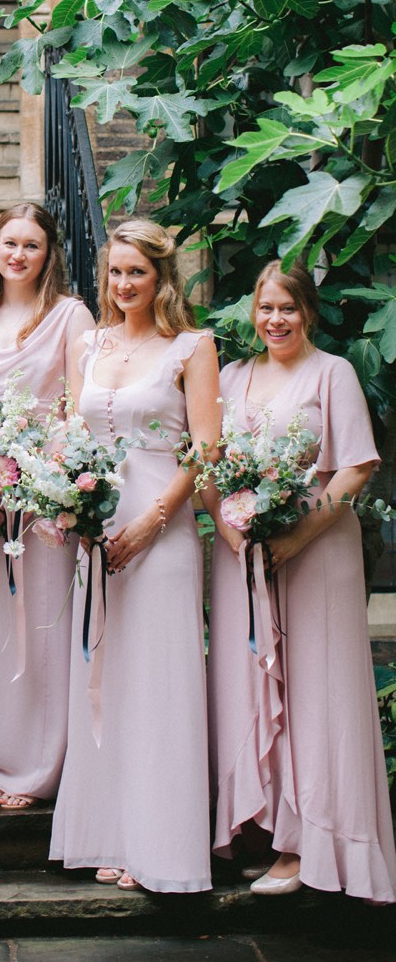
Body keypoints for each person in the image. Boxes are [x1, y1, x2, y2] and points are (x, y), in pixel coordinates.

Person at [207, 261, 396, 903]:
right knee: (250, 685)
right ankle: (262, 826)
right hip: (247, 557)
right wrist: (233, 531)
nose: (276, 320)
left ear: (308, 312)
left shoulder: (332, 373)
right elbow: (207, 466)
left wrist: (294, 536)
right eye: (265, 308)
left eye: (288, 308)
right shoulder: (232, 378)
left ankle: (308, 844)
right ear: (251, 315)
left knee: (317, 690)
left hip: (316, 550)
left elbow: (355, 467)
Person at [50, 218, 218, 893]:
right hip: (96, 529)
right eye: (115, 273)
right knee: (105, 680)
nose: (123, 286)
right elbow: (70, 429)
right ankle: (108, 833)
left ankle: (160, 844)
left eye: (137, 274)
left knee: (159, 684)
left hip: (161, 527)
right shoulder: (87, 344)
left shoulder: (192, 347)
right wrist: (68, 500)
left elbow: (206, 449)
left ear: (161, 277)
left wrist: (153, 521)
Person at [0, 202, 94, 809]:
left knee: (41, 623)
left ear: (49, 255)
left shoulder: (71, 316)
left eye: (31, 245)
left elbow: (80, 411)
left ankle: (41, 767)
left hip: (44, 497)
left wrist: (36, 479)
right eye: (9, 243)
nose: (17, 255)